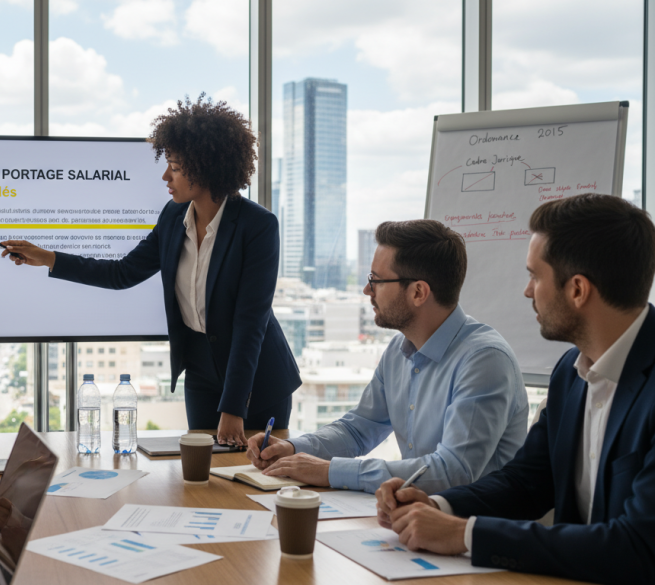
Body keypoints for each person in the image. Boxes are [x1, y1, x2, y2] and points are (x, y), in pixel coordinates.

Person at [375, 194, 655, 584]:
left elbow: (638, 547)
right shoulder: (570, 373)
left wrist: (465, 534)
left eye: (535, 276)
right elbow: (527, 482)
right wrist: (438, 504)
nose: (528, 291)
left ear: (577, 290)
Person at [1, 95, 301, 445]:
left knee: (257, 475)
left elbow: (251, 324)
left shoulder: (258, 226)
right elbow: (122, 273)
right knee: (202, 476)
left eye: (173, 166)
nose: (165, 176)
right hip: (202, 372)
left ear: (205, 166)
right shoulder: (174, 218)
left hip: (258, 378)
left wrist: (234, 408)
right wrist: (48, 257)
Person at [246, 220, 529, 494]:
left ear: (418, 292)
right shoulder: (399, 349)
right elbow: (359, 430)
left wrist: (328, 471)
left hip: (469, 529)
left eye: (376, 280)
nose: (367, 290)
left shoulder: (484, 361)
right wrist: (294, 448)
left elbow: (452, 472)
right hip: (414, 515)